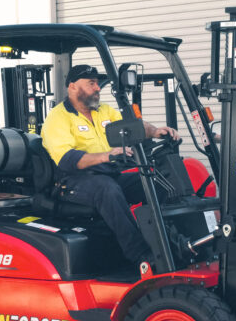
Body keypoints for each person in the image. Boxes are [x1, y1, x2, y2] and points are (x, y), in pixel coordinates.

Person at [41, 64, 179, 265]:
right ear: (72, 87)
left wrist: (155, 131)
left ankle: (168, 241)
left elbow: (133, 126)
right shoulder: (57, 117)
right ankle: (140, 256)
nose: (97, 88)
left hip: (108, 173)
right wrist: (106, 156)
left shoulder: (103, 110)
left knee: (158, 180)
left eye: (97, 83)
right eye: (91, 83)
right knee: (108, 190)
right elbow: (67, 159)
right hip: (72, 182)